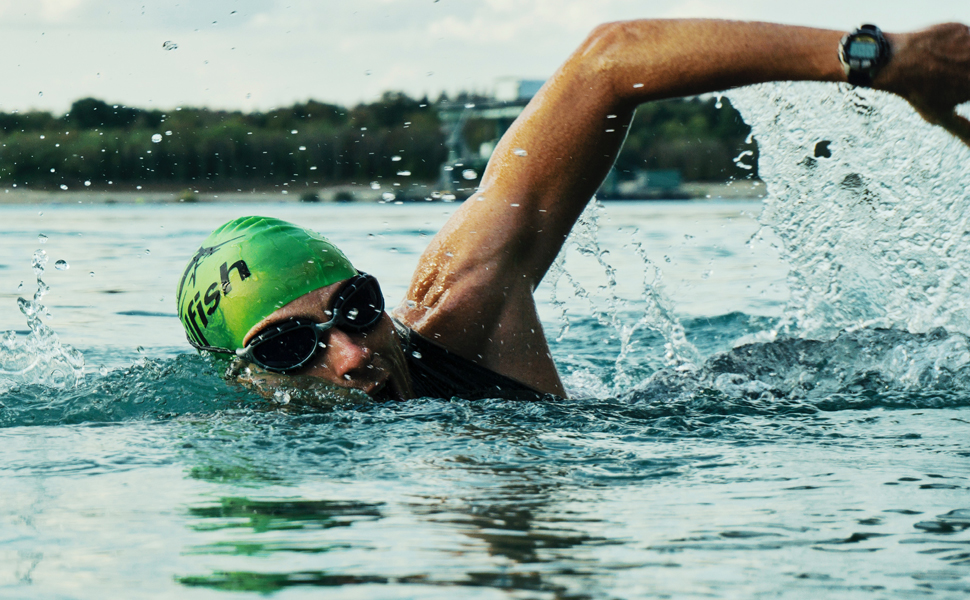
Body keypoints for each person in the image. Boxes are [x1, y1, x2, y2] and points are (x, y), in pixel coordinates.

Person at [177, 19, 970, 402]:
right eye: (288, 348)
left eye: (356, 308)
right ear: (243, 380)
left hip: (784, 384)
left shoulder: (459, 310)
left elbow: (608, 61)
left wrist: (881, 61)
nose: (351, 356)